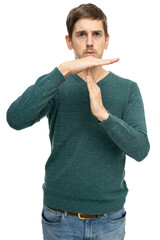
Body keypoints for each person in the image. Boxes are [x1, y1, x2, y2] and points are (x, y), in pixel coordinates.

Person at [6, 3, 150, 240]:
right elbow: (15, 119)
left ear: (107, 40)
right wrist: (62, 71)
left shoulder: (128, 89)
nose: (90, 42)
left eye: (97, 34)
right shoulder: (56, 84)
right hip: (59, 217)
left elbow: (141, 150)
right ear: (69, 41)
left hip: (109, 219)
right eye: (81, 34)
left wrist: (103, 114)